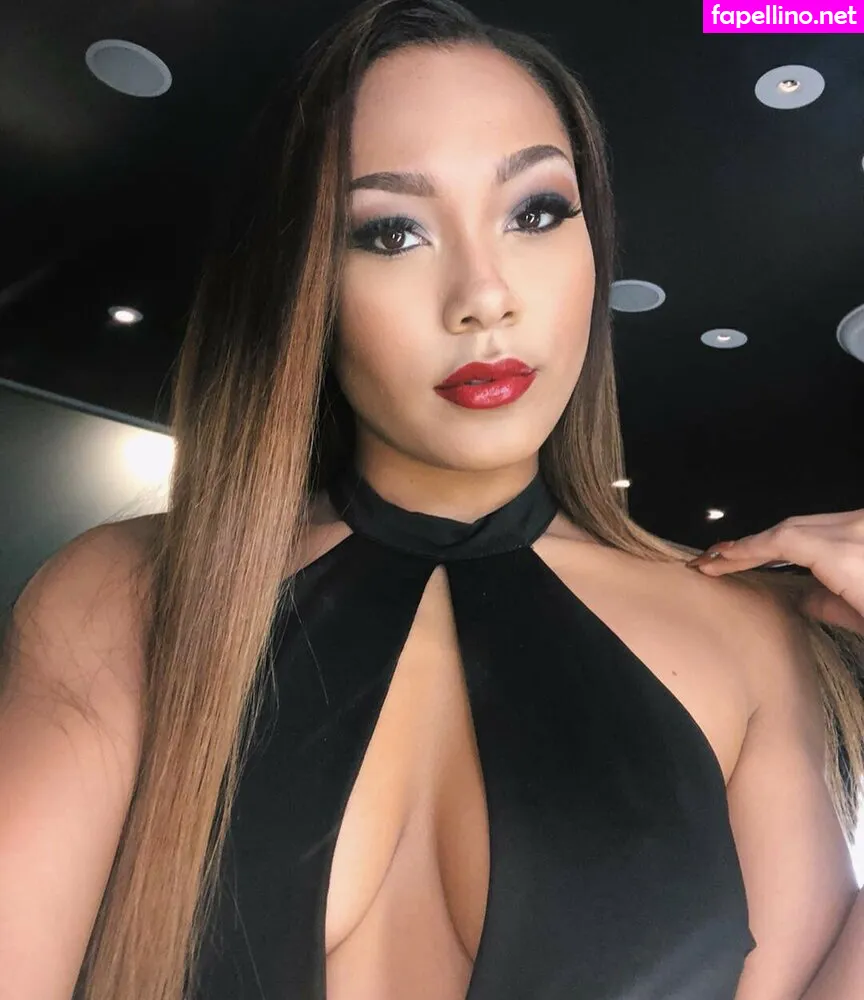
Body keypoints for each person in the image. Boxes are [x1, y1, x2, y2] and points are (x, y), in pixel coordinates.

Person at [1, 1, 863, 999]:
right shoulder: (127, 598)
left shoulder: (746, 637)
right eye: (391, 231)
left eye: (535, 213)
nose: (484, 294)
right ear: (303, 283)